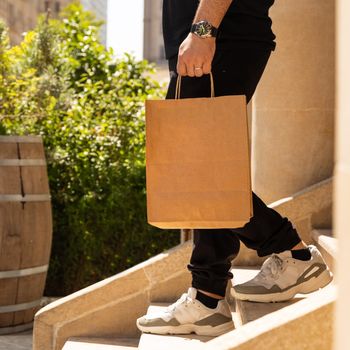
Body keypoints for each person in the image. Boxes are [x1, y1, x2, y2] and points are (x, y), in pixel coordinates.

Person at [136, 0, 333, 337]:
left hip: (219, 34)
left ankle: (290, 254)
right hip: (208, 38)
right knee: (203, 167)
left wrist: (203, 30)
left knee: (195, 167)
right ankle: (208, 299)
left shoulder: (209, 34)